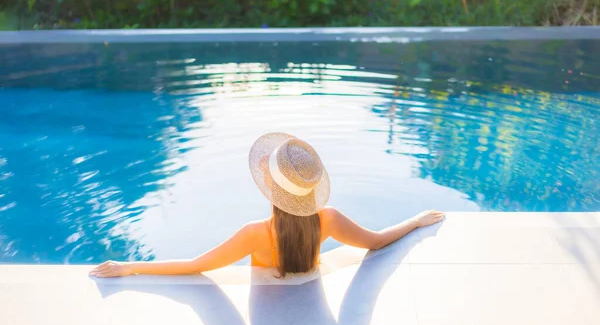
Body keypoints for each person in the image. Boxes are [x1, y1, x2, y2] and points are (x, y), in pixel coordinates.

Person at [90, 132, 444, 278]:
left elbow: (196, 266)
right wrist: (415, 220)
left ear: (271, 192)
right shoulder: (329, 220)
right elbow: (378, 241)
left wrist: (130, 266)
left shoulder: (254, 234)